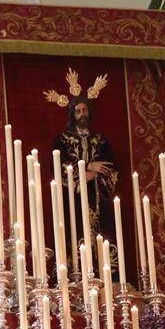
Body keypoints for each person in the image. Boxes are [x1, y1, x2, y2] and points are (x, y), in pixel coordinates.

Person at [52, 95, 119, 265]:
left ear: (89, 113)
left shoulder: (101, 141)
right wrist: (87, 166)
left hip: (98, 200)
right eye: (78, 111)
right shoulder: (62, 141)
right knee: (76, 235)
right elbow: (59, 166)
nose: (82, 114)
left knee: (103, 238)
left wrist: (95, 173)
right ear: (72, 115)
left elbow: (110, 167)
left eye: (84, 110)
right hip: (73, 201)